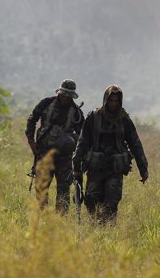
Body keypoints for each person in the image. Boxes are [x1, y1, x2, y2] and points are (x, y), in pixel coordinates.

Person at [72, 85, 148, 225]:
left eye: (116, 101)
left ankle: (108, 234)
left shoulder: (124, 119)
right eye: (111, 100)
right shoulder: (94, 118)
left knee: (111, 203)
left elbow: (135, 144)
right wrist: (76, 168)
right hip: (96, 168)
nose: (113, 104)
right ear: (106, 100)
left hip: (115, 168)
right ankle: (96, 229)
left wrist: (143, 168)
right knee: (91, 200)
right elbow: (82, 143)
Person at [26, 79, 85, 213]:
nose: (65, 96)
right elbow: (32, 119)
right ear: (59, 92)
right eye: (63, 93)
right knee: (41, 188)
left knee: (63, 190)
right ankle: (42, 219)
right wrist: (31, 142)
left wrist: (72, 142)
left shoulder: (76, 112)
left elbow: (83, 135)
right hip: (44, 153)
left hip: (64, 158)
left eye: (68, 94)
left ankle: (60, 222)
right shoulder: (46, 103)